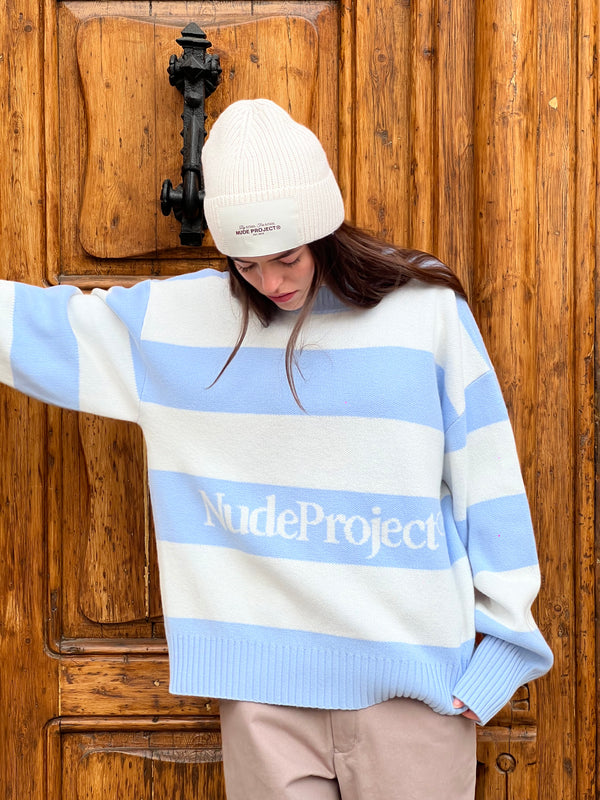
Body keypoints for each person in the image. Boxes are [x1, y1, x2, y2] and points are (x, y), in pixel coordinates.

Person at [0, 98, 552, 799]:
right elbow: (37, 328)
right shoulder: (181, 324)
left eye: (287, 257)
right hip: (262, 702)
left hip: (417, 694)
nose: (271, 282)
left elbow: (489, 478)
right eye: (247, 264)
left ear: (323, 229)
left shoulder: (424, 313)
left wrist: (502, 654)